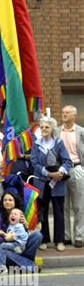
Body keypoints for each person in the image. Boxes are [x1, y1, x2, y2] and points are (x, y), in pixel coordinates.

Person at [30, 116, 72, 251]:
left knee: (59, 211)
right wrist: (48, 174)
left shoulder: (59, 143)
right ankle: (44, 239)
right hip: (41, 182)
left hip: (57, 182)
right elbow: (34, 163)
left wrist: (60, 172)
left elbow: (67, 161)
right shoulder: (36, 144)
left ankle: (60, 241)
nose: (43, 129)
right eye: (42, 127)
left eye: (46, 127)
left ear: (52, 129)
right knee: (42, 212)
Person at [0, 191, 42, 273]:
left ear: (15, 202)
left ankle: (17, 263)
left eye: (10, 200)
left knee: (37, 235)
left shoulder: (20, 214)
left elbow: (25, 236)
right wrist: (8, 238)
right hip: (8, 247)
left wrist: (24, 225)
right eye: (5, 200)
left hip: (20, 246)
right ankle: (28, 265)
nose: (7, 202)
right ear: (2, 203)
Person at [58, 105, 84, 247]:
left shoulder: (81, 132)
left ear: (74, 115)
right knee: (63, 204)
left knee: (79, 205)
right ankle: (66, 236)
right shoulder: (56, 131)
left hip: (77, 168)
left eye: (67, 113)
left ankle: (79, 236)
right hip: (60, 171)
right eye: (63, 112)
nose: (64, 114)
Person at [0, 207, 29, 273]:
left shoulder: (19, 226)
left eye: (15, 214)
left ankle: (1, 267)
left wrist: (3, 234)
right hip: (14, 243)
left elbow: (11, 237)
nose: (12, 215)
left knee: (2, 246)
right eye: (11, 214)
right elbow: (9, 237)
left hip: (19, 246)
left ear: (20, 218)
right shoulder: (11, 225)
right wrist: (4, 234)